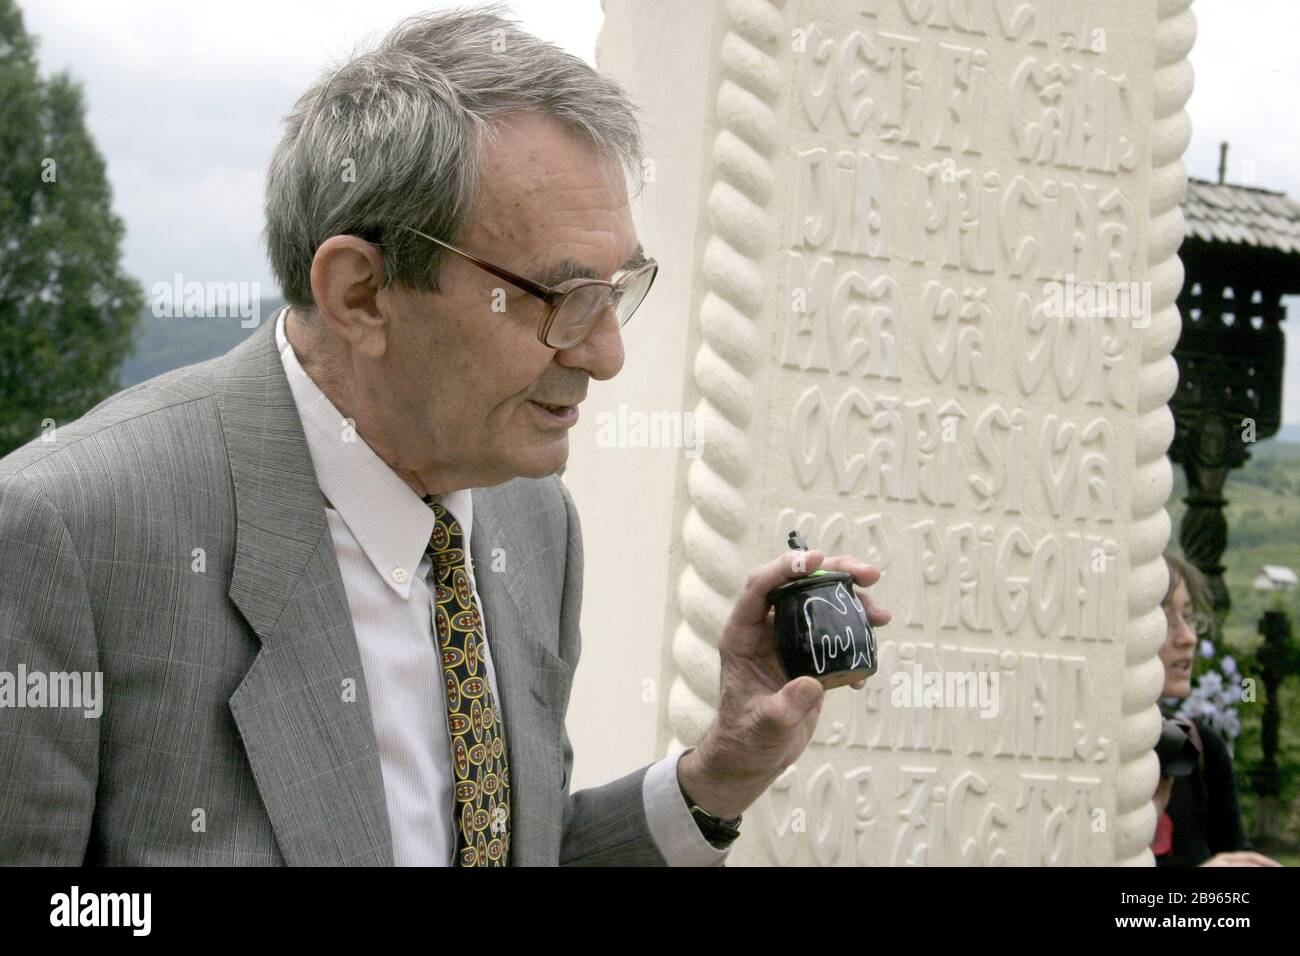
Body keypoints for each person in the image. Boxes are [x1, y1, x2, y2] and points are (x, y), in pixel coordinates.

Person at [0, 7, 890, 866]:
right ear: (361, 294)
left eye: (617, 293)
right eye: (561, 300)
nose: (608, 355)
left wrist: (718, 776)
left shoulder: (534, 523)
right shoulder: (69, 534)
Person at [1151, 552, 1279, 867]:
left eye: (1189, 617)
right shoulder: (1082, 757)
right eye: (1165, 620)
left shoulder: (1197, 743)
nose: (1189, 638)